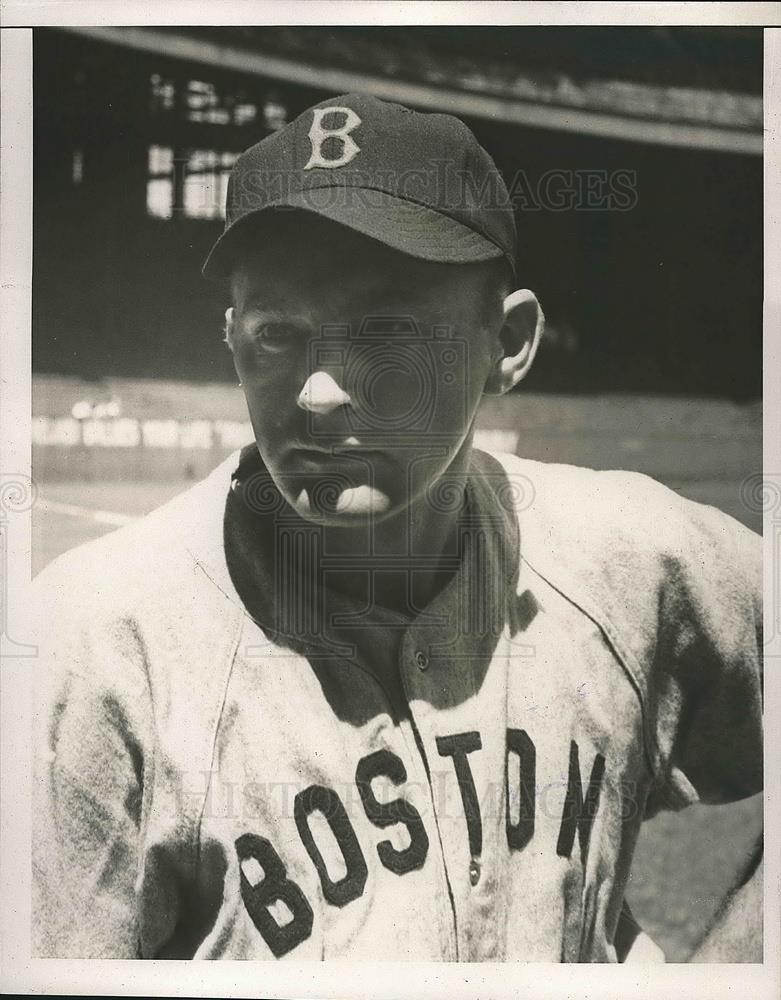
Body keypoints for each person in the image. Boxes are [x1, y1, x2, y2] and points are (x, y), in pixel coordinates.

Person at [32, 93, 762, 961]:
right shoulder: (101, 646)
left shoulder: (630, 560)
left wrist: (731, 967)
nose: (319, 391)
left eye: (387, 333)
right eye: (276, 335)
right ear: (230, 341)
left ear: (510, 342)